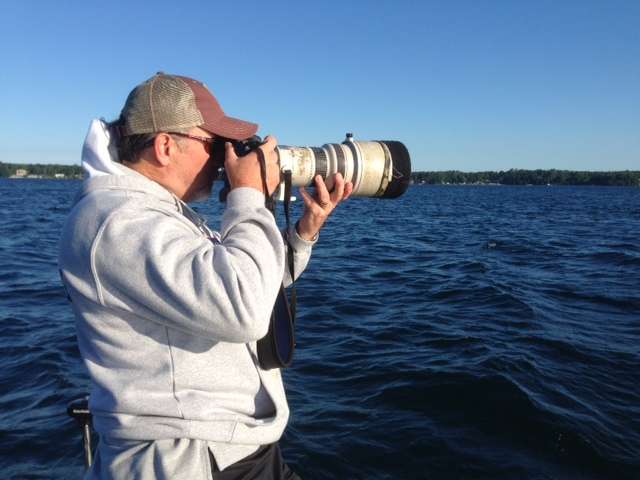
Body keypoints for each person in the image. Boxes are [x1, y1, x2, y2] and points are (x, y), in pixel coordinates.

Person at [59, 73, 352, 479]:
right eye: (213, 143)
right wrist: (249, 195)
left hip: (226, 447)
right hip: (191, 458)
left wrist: (304, 232)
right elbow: (244, 308)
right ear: (165, 146)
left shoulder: (152, 213)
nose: (223, 158)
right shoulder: (117, 222)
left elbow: (245, 282)